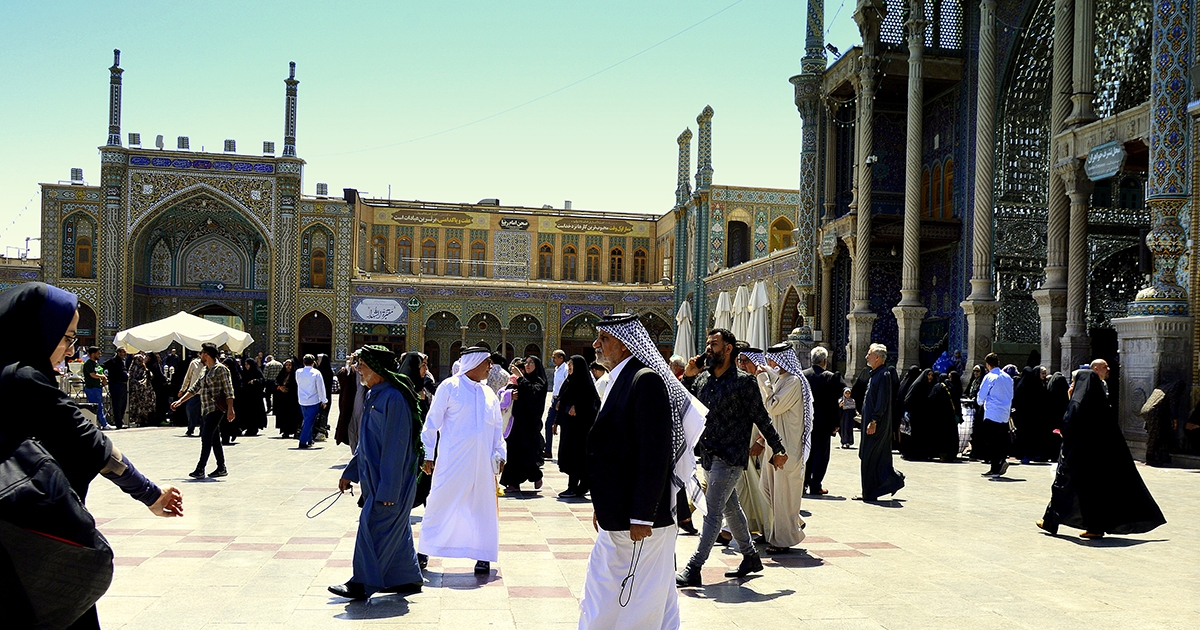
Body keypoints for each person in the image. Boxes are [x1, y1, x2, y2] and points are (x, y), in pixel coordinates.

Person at [0, 283, 184, 630]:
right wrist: (151, 494)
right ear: (39, 330)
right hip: (35, 539)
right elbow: (93, 445)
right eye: (66, 337)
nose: (71, 350)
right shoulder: (26, 379)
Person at [579, 314, 705, 630]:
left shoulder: (644, 380)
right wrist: (603, 505)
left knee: (628, 589)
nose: (596, 345)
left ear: (623, 344)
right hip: (620, 511)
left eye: (603, 339)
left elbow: (655, 453)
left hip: (640, 519)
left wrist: (642, 515)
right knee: (649, 591)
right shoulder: (622, 378)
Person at [677, 329, 787, 587]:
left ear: (728, 349)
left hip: (729, 456)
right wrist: (688, 377)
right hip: (707, 453)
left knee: (712, 512)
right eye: (707, 344)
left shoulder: (743, 382)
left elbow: (762, 418)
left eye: (713, 344)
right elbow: (687, 406)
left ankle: (694, 567)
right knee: (731, 507)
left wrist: (778, 448)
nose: (708, 348)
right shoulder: (703, 379)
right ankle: (750, 557)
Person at [330, 345, 425, 600]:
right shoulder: (374, 394)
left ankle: (361, 583)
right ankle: (406, 578)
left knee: (372, 529)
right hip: (376, 481)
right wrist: (351, 472)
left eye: (364, 365)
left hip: (392, 483)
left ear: (379, 368)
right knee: (395, 529)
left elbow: (397, 448)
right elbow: (366, 442)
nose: (359, 369)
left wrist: (389, 490)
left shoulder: (394, 399)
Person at [1037, 369, 1166, 538]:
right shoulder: (1100, 403)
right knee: (1091, 493)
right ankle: (1091, 527)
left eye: (1074, 382)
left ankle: (1053, 522)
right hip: (1098, 459)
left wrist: (1070, 401)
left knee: (1063, 487)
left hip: (1077, 458)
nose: (1072, 386)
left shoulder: (1077, 402)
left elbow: (1068, 426)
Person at [419, 347, 505, 575]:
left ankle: (482, 555)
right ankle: (424, 551)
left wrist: (501, 454)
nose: (490, 366)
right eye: (487, 362)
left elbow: (497, 429)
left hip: (483, 465)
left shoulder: (489, 394)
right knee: (439, 502)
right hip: (453, 461)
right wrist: (428, 454)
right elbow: (431, 424)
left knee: (481, 509)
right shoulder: (450, 387)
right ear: (474, 362)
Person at [753, 343, 814, 553]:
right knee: (768, 489)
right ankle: (793, 520)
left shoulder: (794, 382)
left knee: (783, 494)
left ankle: (783, 540)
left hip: (787, 449)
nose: (769, 364)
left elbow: (773, 406)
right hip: (775, 445)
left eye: (772, 360)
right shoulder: (783, 380)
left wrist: (762, 379)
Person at [172, 343, 236, 479]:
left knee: (206, 437)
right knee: (214, 438)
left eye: (201, 353)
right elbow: (194, 389)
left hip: (216, 409)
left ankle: (200, 468)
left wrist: (231, 409)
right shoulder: (205, 370)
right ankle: (221, 467)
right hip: (206, 409)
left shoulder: (221, 369)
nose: (200, 355)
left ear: (206, 354)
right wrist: (180, 401)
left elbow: (229, 391)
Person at [857, 343, 905, 501]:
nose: (866, 357)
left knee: (871, 457)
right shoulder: (875, 374)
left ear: (877, 357)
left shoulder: (884, 375)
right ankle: (872, 490)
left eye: (869, 354)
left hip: (876, 425)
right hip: (870, 422)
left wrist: (874, 420)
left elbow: (882, 401)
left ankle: (879, 488)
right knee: (868, 456)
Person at [500, 355, 548, 493]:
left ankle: (535, 475)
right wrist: (511, 394)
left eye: (531, 363)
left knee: (527, 453)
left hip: (530, 424)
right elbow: (506, 390)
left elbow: (533, 392)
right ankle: (513, 483)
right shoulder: (520, 380)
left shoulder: (539, 381)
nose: (527, 365)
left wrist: (520, 377)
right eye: (526, 362)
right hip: (517, 422)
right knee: (514, 453)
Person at [555, 355, 599, 498]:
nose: (568, 366)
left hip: (580, 430)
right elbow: (562, 400)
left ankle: (575, 487)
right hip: (569, 428)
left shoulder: (585, 384)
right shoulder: (569, 382)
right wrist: (556, 420)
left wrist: (578, 407)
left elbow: (593, 405)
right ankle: (577, 487)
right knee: (570, 457)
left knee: (577, 458)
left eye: (571, 364)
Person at [802, 345, 842, 495]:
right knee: (821, 454)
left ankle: (803, 483)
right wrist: (836, 423)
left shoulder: (803, 375)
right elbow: (833, 403)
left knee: (806, 452)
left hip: (806, 422)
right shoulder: (830, 377)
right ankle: (816, 484)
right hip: (824, 423)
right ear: (824, 361)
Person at [976, 352, 1015, 477]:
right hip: (1004, 414)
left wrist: (979, 402)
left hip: (992, 414)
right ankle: (1000, 461)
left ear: (987, 365)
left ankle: (995, 467)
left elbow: (981, 395)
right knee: (1000, 440)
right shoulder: (1008, 377)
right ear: (998, 363)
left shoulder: (989, 377)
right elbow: (1011, 395)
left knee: (990, 441)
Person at [1011, 359, 1049, 463]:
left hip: (1023, 417)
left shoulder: (1022, 385)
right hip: (1030, 417)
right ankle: (1028, 454)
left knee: (1023, 437)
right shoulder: (1033, 386)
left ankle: (1024, 455)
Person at [295, 354, 328, 449]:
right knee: (309, 421)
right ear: (313, 363)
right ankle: (302, 440)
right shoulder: (316, 373)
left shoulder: (298, 372)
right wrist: (324, 400)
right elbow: (320, 388)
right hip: (313, 401)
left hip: (302, 400)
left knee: (307, 420)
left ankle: (309, 439)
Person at [545, 349, 568, 458]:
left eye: (554, 357)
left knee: (563, 426)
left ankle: (563, 453)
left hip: (562, 400)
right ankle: (548, 450)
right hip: (554, 400)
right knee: (548, 424)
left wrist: (561, 400)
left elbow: (566, 386)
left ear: (561, 358)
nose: (552, 359)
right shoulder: (557, 369)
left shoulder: (566, 369)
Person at [238, 358, 268, 437]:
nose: (246, 366)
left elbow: (262, 381)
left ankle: (253, 428)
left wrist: (255, 381)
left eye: (248, 364)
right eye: (245, 365)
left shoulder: (257, 372)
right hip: (246, 398)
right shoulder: (244, 373)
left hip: (255, 398)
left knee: (254, 414)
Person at [81, 346, 109, 429]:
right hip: (91, 387)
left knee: (100, 406)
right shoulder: (88, 364)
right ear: (93, 354)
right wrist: (103, 377)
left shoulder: (96, 363)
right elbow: (92, 374)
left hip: (97, 387)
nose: (100, 355)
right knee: (97, 406)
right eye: (98, 353)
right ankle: (104, 424)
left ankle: (99, 423)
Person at [178, 352, 205, 436]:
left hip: (205, 393)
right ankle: (190, 428)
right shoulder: (194, 363)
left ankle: (203, 430)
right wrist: (183, 389)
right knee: (190, 410)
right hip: (194, 393)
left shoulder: (211, 363)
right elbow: (188, 377)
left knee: (204, 414)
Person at [102, 347, 129, 430]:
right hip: (115, 385)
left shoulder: (122, 362)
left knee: (123, 404)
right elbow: (101, 367)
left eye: (125, 352)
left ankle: (121, 421)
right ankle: (118, 423)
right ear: (118, 353)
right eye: (123, 352)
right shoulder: (112, 361)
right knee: (117, 404)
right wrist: (104, 377)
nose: (124, 354)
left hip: (123, 385)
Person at [219, 355, 243, 445]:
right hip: (223, 402)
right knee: (223, 421)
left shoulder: (236, 376)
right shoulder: (223, 374)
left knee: (231, 420)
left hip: (233, 402)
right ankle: (225, 437)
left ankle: (233, 433)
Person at [275, 358, 301, 438]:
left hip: (293, 399)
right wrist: (280, 388)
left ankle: (294, 430)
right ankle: (285, 431)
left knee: (293, 415)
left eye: (290, 365)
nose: (288, 367)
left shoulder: (296, 374)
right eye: (286, 365)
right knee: (284, 415)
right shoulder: (282, 374)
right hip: (283, 399)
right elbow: (276, 382)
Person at [128, 354, 156, 428]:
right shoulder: (133, 368)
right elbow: (131, 378)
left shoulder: (144, 367)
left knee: (146, 405)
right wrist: (139, 383)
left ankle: (145, 419)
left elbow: (150, 376)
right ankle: (139, 419)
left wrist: (146, 370)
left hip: (146, 390)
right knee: (138, 406)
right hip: (137, 391)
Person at [145, 352, 170, 426]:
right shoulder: (154, 365)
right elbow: (159, 375)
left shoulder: (149, 365)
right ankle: (160, 419)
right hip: (158, 388)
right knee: (160, 404)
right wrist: (165, 380)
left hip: (153, 388)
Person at [315, 353, 335, 441]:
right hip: (327, 396)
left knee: (321, 414)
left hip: (321, 396)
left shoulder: (320, 372)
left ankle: (320, 432)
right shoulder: (329, 371)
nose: (317, 361)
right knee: (323, 414)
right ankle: (322, 431)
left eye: (318, 360)